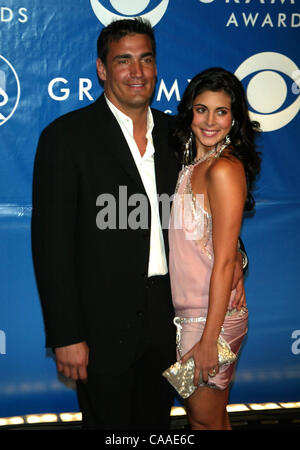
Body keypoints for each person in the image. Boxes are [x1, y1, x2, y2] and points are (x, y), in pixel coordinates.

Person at [32, 18, 246, 430]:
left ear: (156, 66)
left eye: (145, 59)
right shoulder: (66, 138)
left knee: (155, 427)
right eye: (123, 60)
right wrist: (65, 334)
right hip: (100, 325)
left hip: (171, 320)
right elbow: (50, 246)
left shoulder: (179, 135)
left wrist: (238, 256)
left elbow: (214, 214)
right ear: (102, 68)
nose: (137, 72)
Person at [169, 67, 261, 430]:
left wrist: (209, 337)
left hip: (210, 321)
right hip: (193, 315)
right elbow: (216, 241)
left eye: (221, 111)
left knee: (205, 422)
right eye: (201, 109)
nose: (210, 121)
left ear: (234, 117)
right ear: (190, 111)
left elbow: (223, 262)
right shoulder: (194, 165)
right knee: (211, 420)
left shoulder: (223, 168)